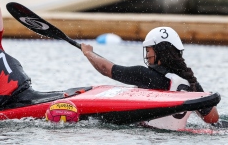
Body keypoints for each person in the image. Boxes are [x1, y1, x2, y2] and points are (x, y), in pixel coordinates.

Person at [81, 27, 219, 125]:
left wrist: (88, 53)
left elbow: (107, 69)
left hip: (151, 135)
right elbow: (212, 119)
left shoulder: (145, 75)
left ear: (159, 51)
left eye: (148, 50)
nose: (147, 55)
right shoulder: (191, 83)